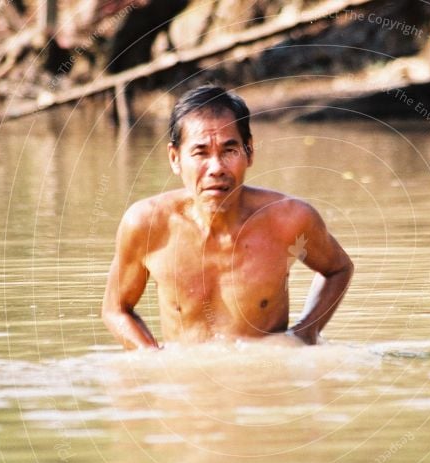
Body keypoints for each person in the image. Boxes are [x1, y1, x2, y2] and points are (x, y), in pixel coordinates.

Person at [102, 85, 354, 349]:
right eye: (200, 153)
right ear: (175, 158)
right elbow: (115, 309)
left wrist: (304, 334)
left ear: (250, 152)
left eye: (229, 150)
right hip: (186, 384)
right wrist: (151, 357)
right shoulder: (147, 224)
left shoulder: (290, 219)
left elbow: (338, 269)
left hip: (266, 381)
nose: (216, 168)